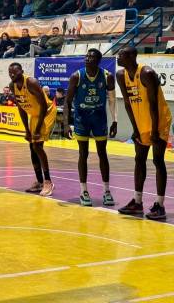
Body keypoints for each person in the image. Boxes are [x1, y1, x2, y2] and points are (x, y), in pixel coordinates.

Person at [115, 47, 172, 220]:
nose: (118, 56)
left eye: (122, 54)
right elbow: (126, 103)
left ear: (132, 56)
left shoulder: (147, 73)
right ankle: (137, 202)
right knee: (139, 159)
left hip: (159, 121)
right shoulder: (120, 75)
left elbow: (154, 105)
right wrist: (135, 128)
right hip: (141, 123)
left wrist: (154, 131)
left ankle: (160, 205)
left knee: (157, 160)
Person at [63, 49, 118, 207]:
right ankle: (83, 190)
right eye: (87, 56)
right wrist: (67, 124)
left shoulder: (107, 76)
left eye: (92, 57)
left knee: (103, 153)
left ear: (98, 61)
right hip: (82, 117)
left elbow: (112, 100)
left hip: (99, 116)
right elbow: (67, 102)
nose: (88, 59)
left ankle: (107, 191)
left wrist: (115, 121)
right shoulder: (76, 76)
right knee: (83, 153)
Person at [9, 62, 57, 197]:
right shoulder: (13, 86)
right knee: (32, 146)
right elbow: (21, 108)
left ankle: (48, 181)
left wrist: (36, 130)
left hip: (46, 112)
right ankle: (40, 182)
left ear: (22, 71)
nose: (12, 74)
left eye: (15, 72)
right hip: (35, 114)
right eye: (10, 72)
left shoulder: (31, 82)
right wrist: (27, 130)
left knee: (37, 145)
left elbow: (43, 105)